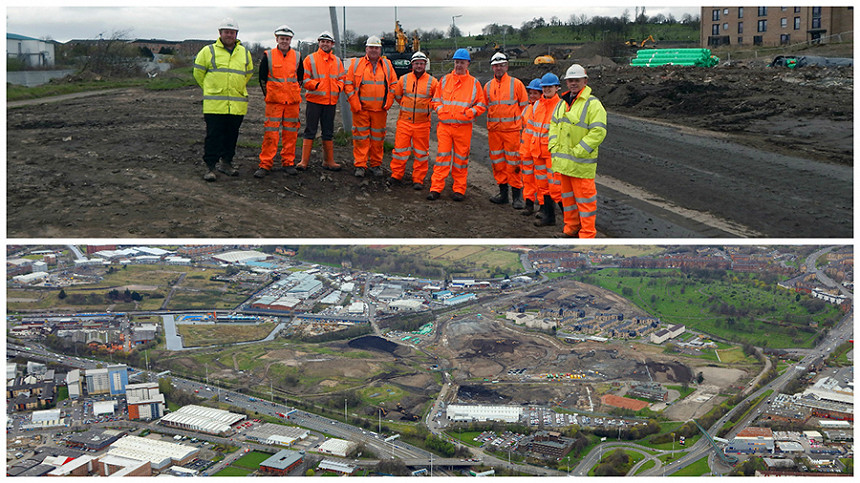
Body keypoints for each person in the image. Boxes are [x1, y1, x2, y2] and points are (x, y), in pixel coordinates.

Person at [549, 64, 607, 238]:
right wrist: (553, 145)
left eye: (577, 80)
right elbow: (553, 125)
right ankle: (570, 230)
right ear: (566, 82)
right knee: (568, 202)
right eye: (570, 80)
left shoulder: (592, 104)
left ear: (585, 81)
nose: (573, 83)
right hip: (564, 164)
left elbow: (599, 131)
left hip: (581, 165)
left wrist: (580, 150)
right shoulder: (562, 103)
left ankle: (587, 236)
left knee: (585, 203)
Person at [193, 17, 253, 182]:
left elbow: (247, 74)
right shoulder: (208, 51)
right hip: (215, 105)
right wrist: (211, 89)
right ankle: (210, 166)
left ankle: (226, 163)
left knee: (231, 136)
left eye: (232, 32)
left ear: (236, 34)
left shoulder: (244, 53)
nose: (229, 35)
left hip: (236, 105)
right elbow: (198, 73)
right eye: (226, 32)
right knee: (213, 136)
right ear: (220, 33)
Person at [427, 48, 486, 202]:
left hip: (463, 128)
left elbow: (481, 104)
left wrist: (470, 113)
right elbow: (436, 100)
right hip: (445, 126)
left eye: (462, 62)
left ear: (468, 64)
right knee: (442, 158)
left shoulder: (474, 83)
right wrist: (441, 111)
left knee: (461, 159)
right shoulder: (445, 80)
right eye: (457, 62)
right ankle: (436, 188)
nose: (459, 65)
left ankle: (459, 189)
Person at [343, 36, 397, 178]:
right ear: (366, 49)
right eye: (371, 47)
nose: (374, 50)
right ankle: (360, 165)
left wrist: (390, 100)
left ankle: (375, 165)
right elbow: (348, 84)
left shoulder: (387, 65)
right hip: (361, 110)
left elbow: (394, 84)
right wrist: (354, 101)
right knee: (361, 139)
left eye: (376, 48)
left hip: (380, 110)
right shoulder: (356, 64)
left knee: (378, 139)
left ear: (380, 49)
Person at [254, 25, 303, 178]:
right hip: (274, 103)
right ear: (277, 39)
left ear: (290, 40)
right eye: (282, 38)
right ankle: (265, 164)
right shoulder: (268, 55)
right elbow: (262, 78)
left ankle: (288, 162)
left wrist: (293, 92)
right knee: (271, 134)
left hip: (292, 103)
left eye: (287, 39)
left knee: (291, 134)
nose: (284, 41)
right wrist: (270, 94)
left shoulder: (297, 56)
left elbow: (300, 78)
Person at [484, 52, 529, 208]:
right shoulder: (488, 86)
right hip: (494, 132)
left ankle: (517, 197)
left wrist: (525, 127)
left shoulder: (516, 84)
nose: (499, 68)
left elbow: (525, 108)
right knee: (498, 163)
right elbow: (483, 106)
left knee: (514, 163)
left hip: (512, 132)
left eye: (502, 65)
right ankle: (503, 194)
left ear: (507, 66)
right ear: (492, 67)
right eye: (496, 65)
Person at [389, 51, 438, 190]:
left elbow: (437, 99)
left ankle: (418, 179)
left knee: (421, 153)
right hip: (404, 122)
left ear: (425, 65)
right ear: (412, 64)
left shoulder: (433, 82)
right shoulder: (403, 79)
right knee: (400, 150)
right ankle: (396, 175)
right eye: (416, 63)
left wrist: (426, 108)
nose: (419, 66)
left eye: (421, 63)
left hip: (423, 123)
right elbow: (398, 96)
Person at [299, 31, 345, 171]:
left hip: (330, 102)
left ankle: (328, 161)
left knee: (328, 131)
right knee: (310, 130)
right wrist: (316, 85)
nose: (325, 44)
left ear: (332, 44)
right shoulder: (310, 59)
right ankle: (303, 161)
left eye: (328, 41)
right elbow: (304, 79)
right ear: (319, 43)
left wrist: (338, 87)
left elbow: (343, 78)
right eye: (322, 41)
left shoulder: (337, 61)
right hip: (314, 101)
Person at [529, 73, 566, 227]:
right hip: (538, 153)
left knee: (557, 189)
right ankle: (549, 217)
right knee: (543, 188)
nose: (547, 89)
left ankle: (571, 222)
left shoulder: (562, 106)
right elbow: (531, 127)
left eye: (550, 87)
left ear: (557, 88)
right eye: (544, 87)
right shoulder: (537, 105)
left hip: (552, 154)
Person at [518, 78, 543, 216]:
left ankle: (542, 206)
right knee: (527, 178)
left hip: (538, 150)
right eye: (531, 93)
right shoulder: (527, 108)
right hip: (526, 150)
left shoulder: (542, 109)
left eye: (535, 93)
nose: (532, 96)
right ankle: (529, 203)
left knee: (540, 179)